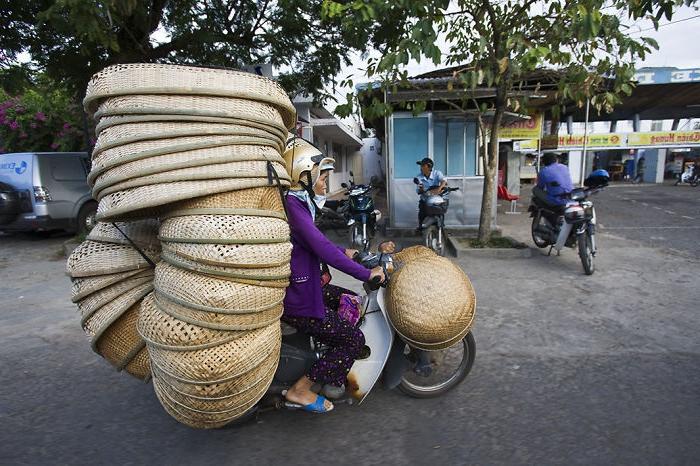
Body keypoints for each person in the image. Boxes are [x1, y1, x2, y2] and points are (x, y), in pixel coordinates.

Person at [281, 137, 385, 414]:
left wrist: (345, 251)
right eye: (321, 176)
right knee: (353, 339)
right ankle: (301, 388)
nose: (326, 182)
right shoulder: (293, 206)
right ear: (304, 176)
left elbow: (313, 244)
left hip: (307, 287)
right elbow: (321, 248)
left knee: (350, 300)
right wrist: (367, 273)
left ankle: (330, 362)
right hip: (300, 300)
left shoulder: (299, 204)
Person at [414, 157, 447, 234]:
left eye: (423, 165)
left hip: (436, 198)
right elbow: (418, 189)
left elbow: (443, 181)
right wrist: (421, 189)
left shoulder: (437, 173)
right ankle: (420, 227)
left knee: (441, 211)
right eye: (421, 166)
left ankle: (442, 227)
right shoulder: (419, 177)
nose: (421, 167)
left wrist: (439, 189)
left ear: (429, 167)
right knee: (422, 213)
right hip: (425, 199)